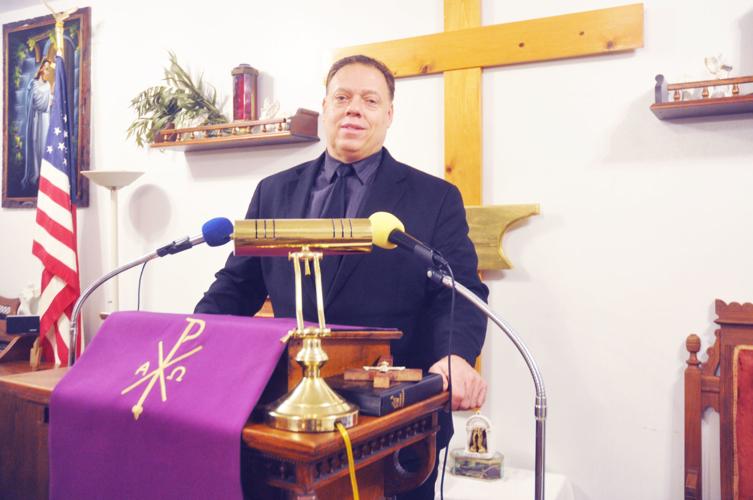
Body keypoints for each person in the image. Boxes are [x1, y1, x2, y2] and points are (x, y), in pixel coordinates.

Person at [195, 54, 489, 498]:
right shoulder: (273, 191)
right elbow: (235, 287)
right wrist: (192, 341)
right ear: (326, 107)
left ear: (388, 115)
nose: (354, 109)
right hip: (285, 417)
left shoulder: (436, 198)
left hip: (390, 423)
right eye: (343, 97)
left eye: (370, 100)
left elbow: (460, 291)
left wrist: (456, 355)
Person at [22, 58, 54, 189]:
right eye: (46, 69)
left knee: (44, 144)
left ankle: (44, 174)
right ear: (41, 69)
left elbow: (49, 103)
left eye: (49, 69)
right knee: (35, 144)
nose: (47, 72)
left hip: (45, 118)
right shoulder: (33, 84)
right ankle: (35, 173)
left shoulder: (47, 85)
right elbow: (36, 102)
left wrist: (50, 95)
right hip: (35, 119)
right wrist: (49, 96)